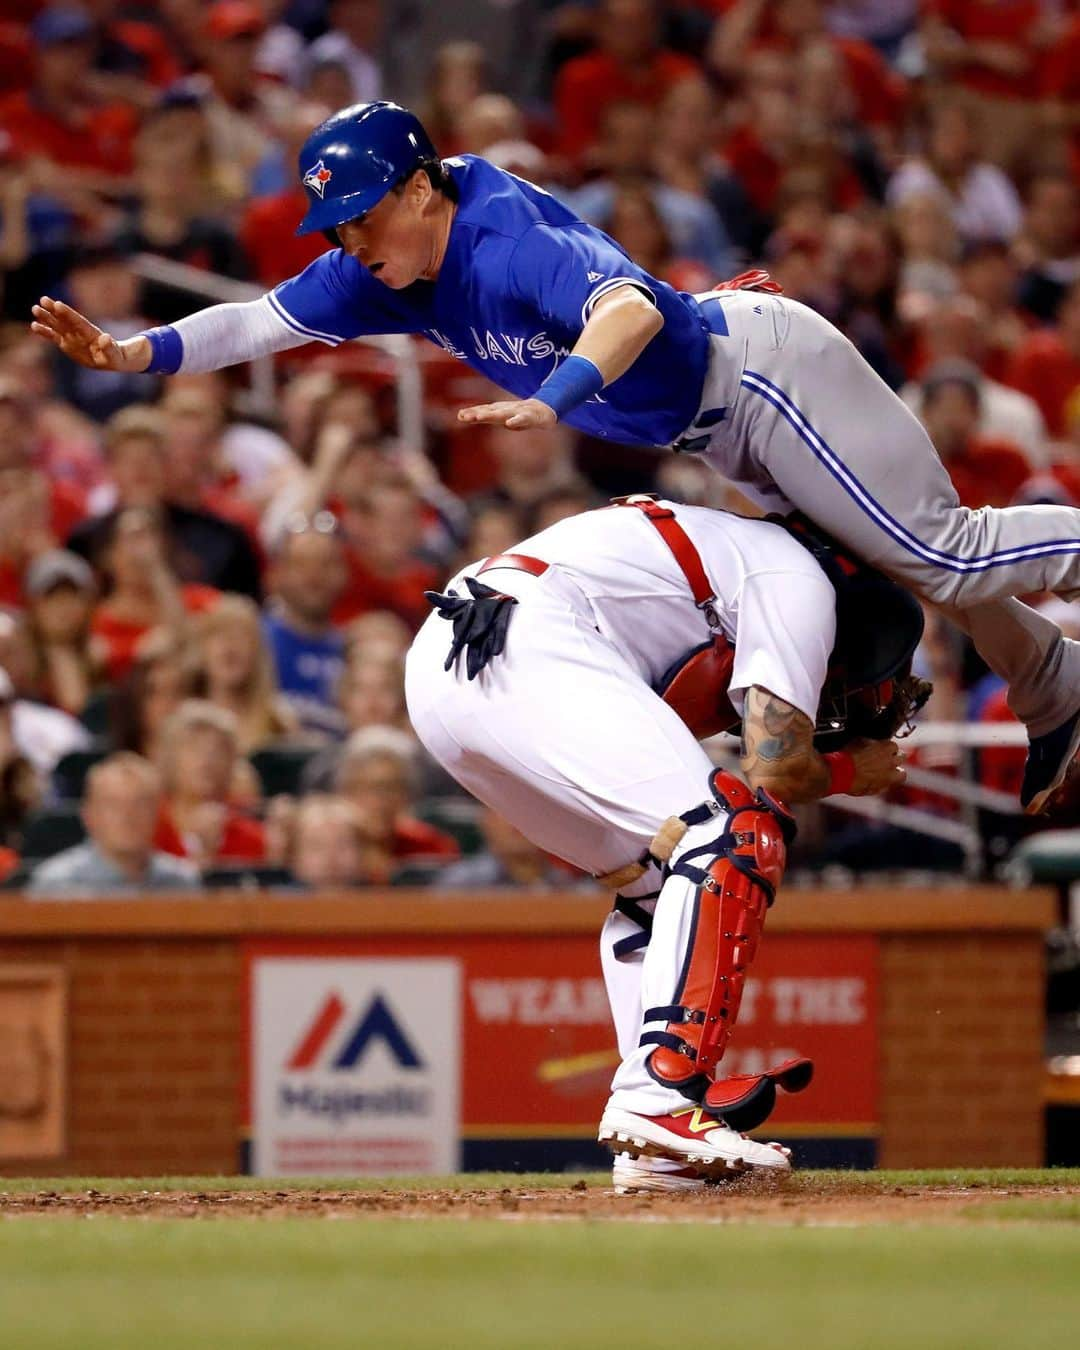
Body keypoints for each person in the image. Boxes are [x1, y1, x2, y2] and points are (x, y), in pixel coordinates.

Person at [29, 98, 1080, 815]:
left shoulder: (495, 233)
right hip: (716, 419)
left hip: (756, 374)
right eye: (334, 225)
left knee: (940, 554)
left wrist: (559, 396)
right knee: (908, 562)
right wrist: (138, 352)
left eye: (357, 214)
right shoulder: (384, 264)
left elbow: (622, 308)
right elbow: (259, 325)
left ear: (422, 188)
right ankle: (1055, 690)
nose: (344, 241)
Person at [405, 494, 920, 1188]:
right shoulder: (799, 581)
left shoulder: (740, 560)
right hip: (527, 640)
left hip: (455, 666)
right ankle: (662, 1094)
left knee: (657, 884)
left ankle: (657, 1146)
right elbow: (773, 768)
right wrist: (853, 770)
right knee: (732, 831)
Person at [29, 752, 200, 895]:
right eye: (113, 805)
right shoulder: (56, 886)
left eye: (139, 804)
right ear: (88, 815)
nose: (127, 816)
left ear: (157, 813)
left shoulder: (181, 883)